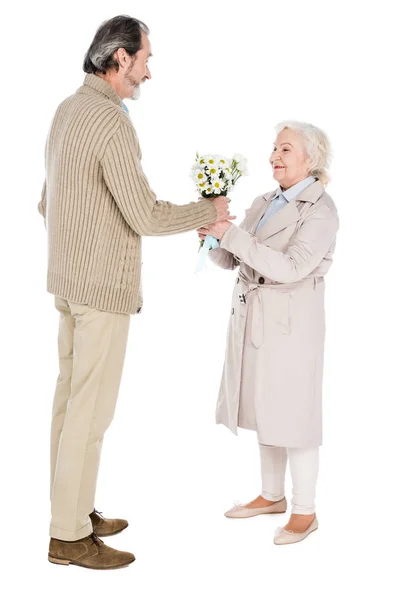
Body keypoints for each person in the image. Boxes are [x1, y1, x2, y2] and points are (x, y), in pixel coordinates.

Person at [38, 15, 232, 569]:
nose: (149, 71)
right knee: (89, 414)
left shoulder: (66, 110)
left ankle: (69, 512)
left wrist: (74, 248)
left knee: (68, 406)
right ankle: (69, 536)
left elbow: (45, 202)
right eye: (145, 59)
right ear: (118, 58)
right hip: (99, 289)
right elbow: (144, 213)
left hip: (67, 284)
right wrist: (208, 210)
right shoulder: (108, 121)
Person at [198, 121, 339, 545]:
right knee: (265, 408)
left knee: (295, 415)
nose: (274, 156)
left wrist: (233, 235)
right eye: (274, 148)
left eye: (286, 149)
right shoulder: (265, 201)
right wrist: (210, 238)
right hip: (255, 316)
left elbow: (291, 267)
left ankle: (305, 510)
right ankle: (272, 495)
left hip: (291, 323)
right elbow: (234, 260)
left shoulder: (321, 210)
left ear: (311, 159)